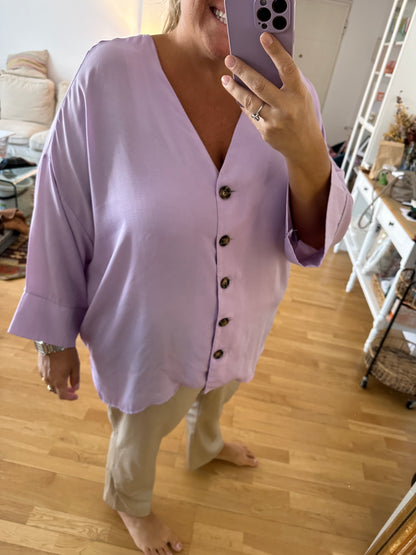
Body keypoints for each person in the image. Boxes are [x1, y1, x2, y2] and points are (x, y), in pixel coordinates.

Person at [9, 0, 353, 553]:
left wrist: (309, 150)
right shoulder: (108, 76)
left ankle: (206, 443)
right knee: (140, 431)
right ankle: (128, 499)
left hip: (242, 321)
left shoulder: (294, 97)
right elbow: (61, 209)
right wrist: (53, 336)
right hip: (145, 338)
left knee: (218, 391)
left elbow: (318, 236)